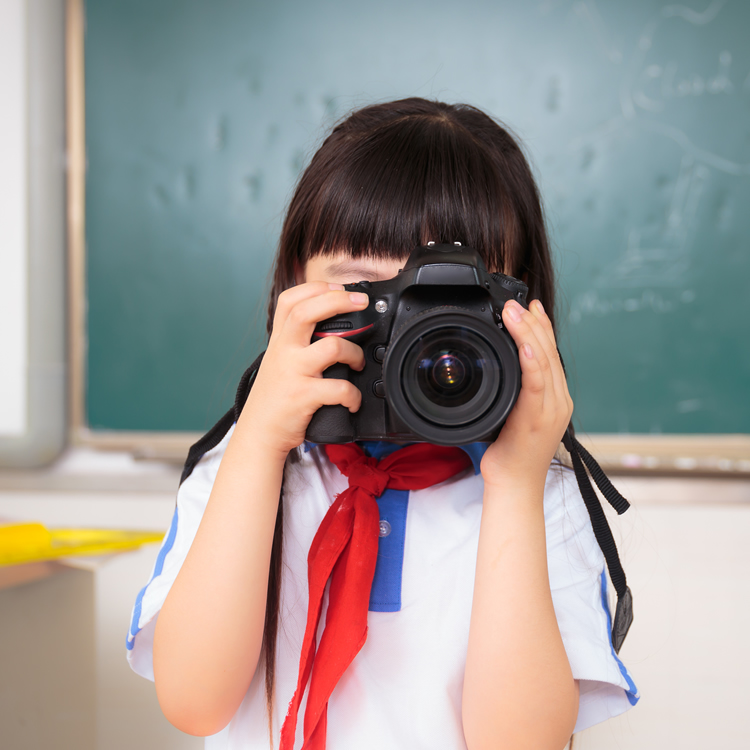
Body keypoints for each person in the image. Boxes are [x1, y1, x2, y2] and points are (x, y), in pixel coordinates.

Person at [127, 98, 639, 750]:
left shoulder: (542, 495)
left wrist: (513, 486)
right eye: (370, 289)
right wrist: (258, 442)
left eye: (456, 295)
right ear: (292, 292)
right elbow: (194, 702)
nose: (418, 333)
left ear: (524, 309)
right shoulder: (245, 470)